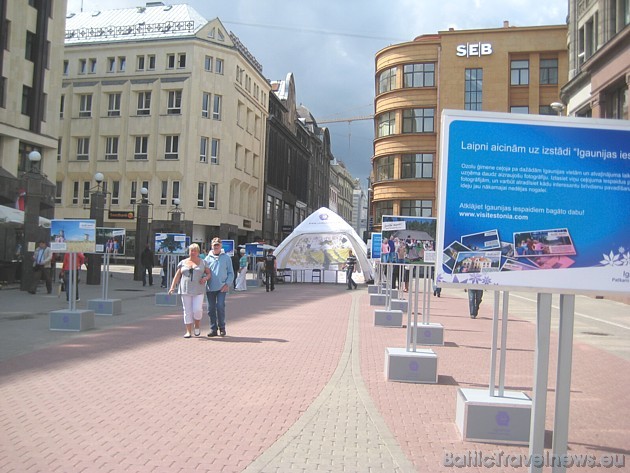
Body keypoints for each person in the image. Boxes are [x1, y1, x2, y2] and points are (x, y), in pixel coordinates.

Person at [168, 243, 211, 338]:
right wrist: (172, 287)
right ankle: (188, 331)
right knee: (187, 310)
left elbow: (209, 273)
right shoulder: (183, 262)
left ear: (198, 252)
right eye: (191, 250)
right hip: (185, 289)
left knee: (197, 309)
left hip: (198, 290)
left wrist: (205, 278)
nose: (193, 252)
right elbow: (177, 275)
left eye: (195, 251)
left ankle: (197, 325)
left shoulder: (203, 262)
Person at [204, 238, 234, 337]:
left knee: (220, 306)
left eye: (218, 245)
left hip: (222, 288)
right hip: (210, 288)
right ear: (211, 246)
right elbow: (203, 273)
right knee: (210, 309)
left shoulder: (226, 258)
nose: (216, 246)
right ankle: (213, 329)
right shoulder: (207, 259)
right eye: (214, 245)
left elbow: (231, 273)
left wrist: (227, 284)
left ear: (221, 246)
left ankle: (222, 328)